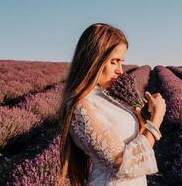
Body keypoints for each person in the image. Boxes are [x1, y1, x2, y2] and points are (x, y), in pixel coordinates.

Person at [58, 23, 166, 186]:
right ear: (93, 60)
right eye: (114, 62)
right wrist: (157, 119)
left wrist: (145, 119)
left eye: (121, 62)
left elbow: (136, 149)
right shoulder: (81, 105)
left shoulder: (105, 96)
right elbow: (124, 165)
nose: (120, 71)